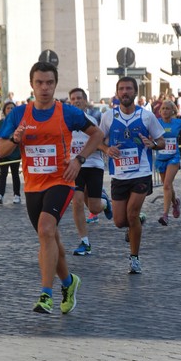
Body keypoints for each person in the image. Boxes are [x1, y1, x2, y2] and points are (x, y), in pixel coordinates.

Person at [0, 61, 104, 314]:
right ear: (32, 84)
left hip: (62, 180)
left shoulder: (67, 112)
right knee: (50, 238)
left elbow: (97, 134)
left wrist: (79, 160)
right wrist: (16, 139)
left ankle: (46, 295)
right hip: (33, 185)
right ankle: (68, 282)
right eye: (39, 83)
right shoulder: (18, 114)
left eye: (49, 83)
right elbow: (1, 151)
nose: (44, 88)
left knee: (46, 229)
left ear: (55, 84)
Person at [99, 76, 165, 274]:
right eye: (122, 89)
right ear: (117, 93)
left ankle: (134, 258)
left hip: (142, 172)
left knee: (132, 213)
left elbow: (162, 142)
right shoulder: (108, 117)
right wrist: (106, 149)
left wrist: (152, 144)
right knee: (120, 221)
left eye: (129, 88)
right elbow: (97, 140)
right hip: (119, 174)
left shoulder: (146, 116)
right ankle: (136, 223)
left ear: (136, 93)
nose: (125, 92)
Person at [68, 87, 112, 255]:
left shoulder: (92, 120)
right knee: (77, 202)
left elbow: (99, 141)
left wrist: (105, 149)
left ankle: (106, 203)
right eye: (73, 99)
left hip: (93, 165)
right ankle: (84, 242)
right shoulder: (66, 121)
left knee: (94, 208)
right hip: (74, 167)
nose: (76, 101)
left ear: (85, 101)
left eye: (79, 98)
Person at [155, 100, 181, 226]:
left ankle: (165, 215)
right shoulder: (156, 123)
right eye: (163, 108)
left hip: (174, 157)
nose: (165, 110)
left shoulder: (178, 122)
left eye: (167, 108)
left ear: (172, 111)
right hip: (160, 158)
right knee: (168, 186)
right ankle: (175, 203)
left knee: (166, 186)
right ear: (160, 111)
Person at [0, 100, 21, 205]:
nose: (10, 110)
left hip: (15, 152)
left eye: (12, 108)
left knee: (15, 174)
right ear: (4, 111)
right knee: (3, 174)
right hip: (3, 151)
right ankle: (0, 195)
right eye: (8, 108)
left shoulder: (19, 122)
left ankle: (17, 195)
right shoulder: (1, 123)